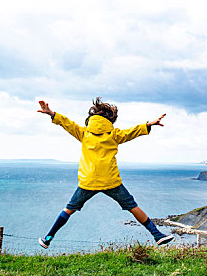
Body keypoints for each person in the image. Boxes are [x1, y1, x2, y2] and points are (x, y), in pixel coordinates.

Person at [37, 97, 173, 249]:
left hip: (88, 182)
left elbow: (67, 123)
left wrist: (51, 113)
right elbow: (132, 132)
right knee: (132, 206)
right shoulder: (113, 134)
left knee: (69, 209)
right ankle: (157, 235)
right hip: (110, 181)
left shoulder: (84, 133)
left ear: (92, 117)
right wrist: (148, 124)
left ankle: (48, 238)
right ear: (111, 119)